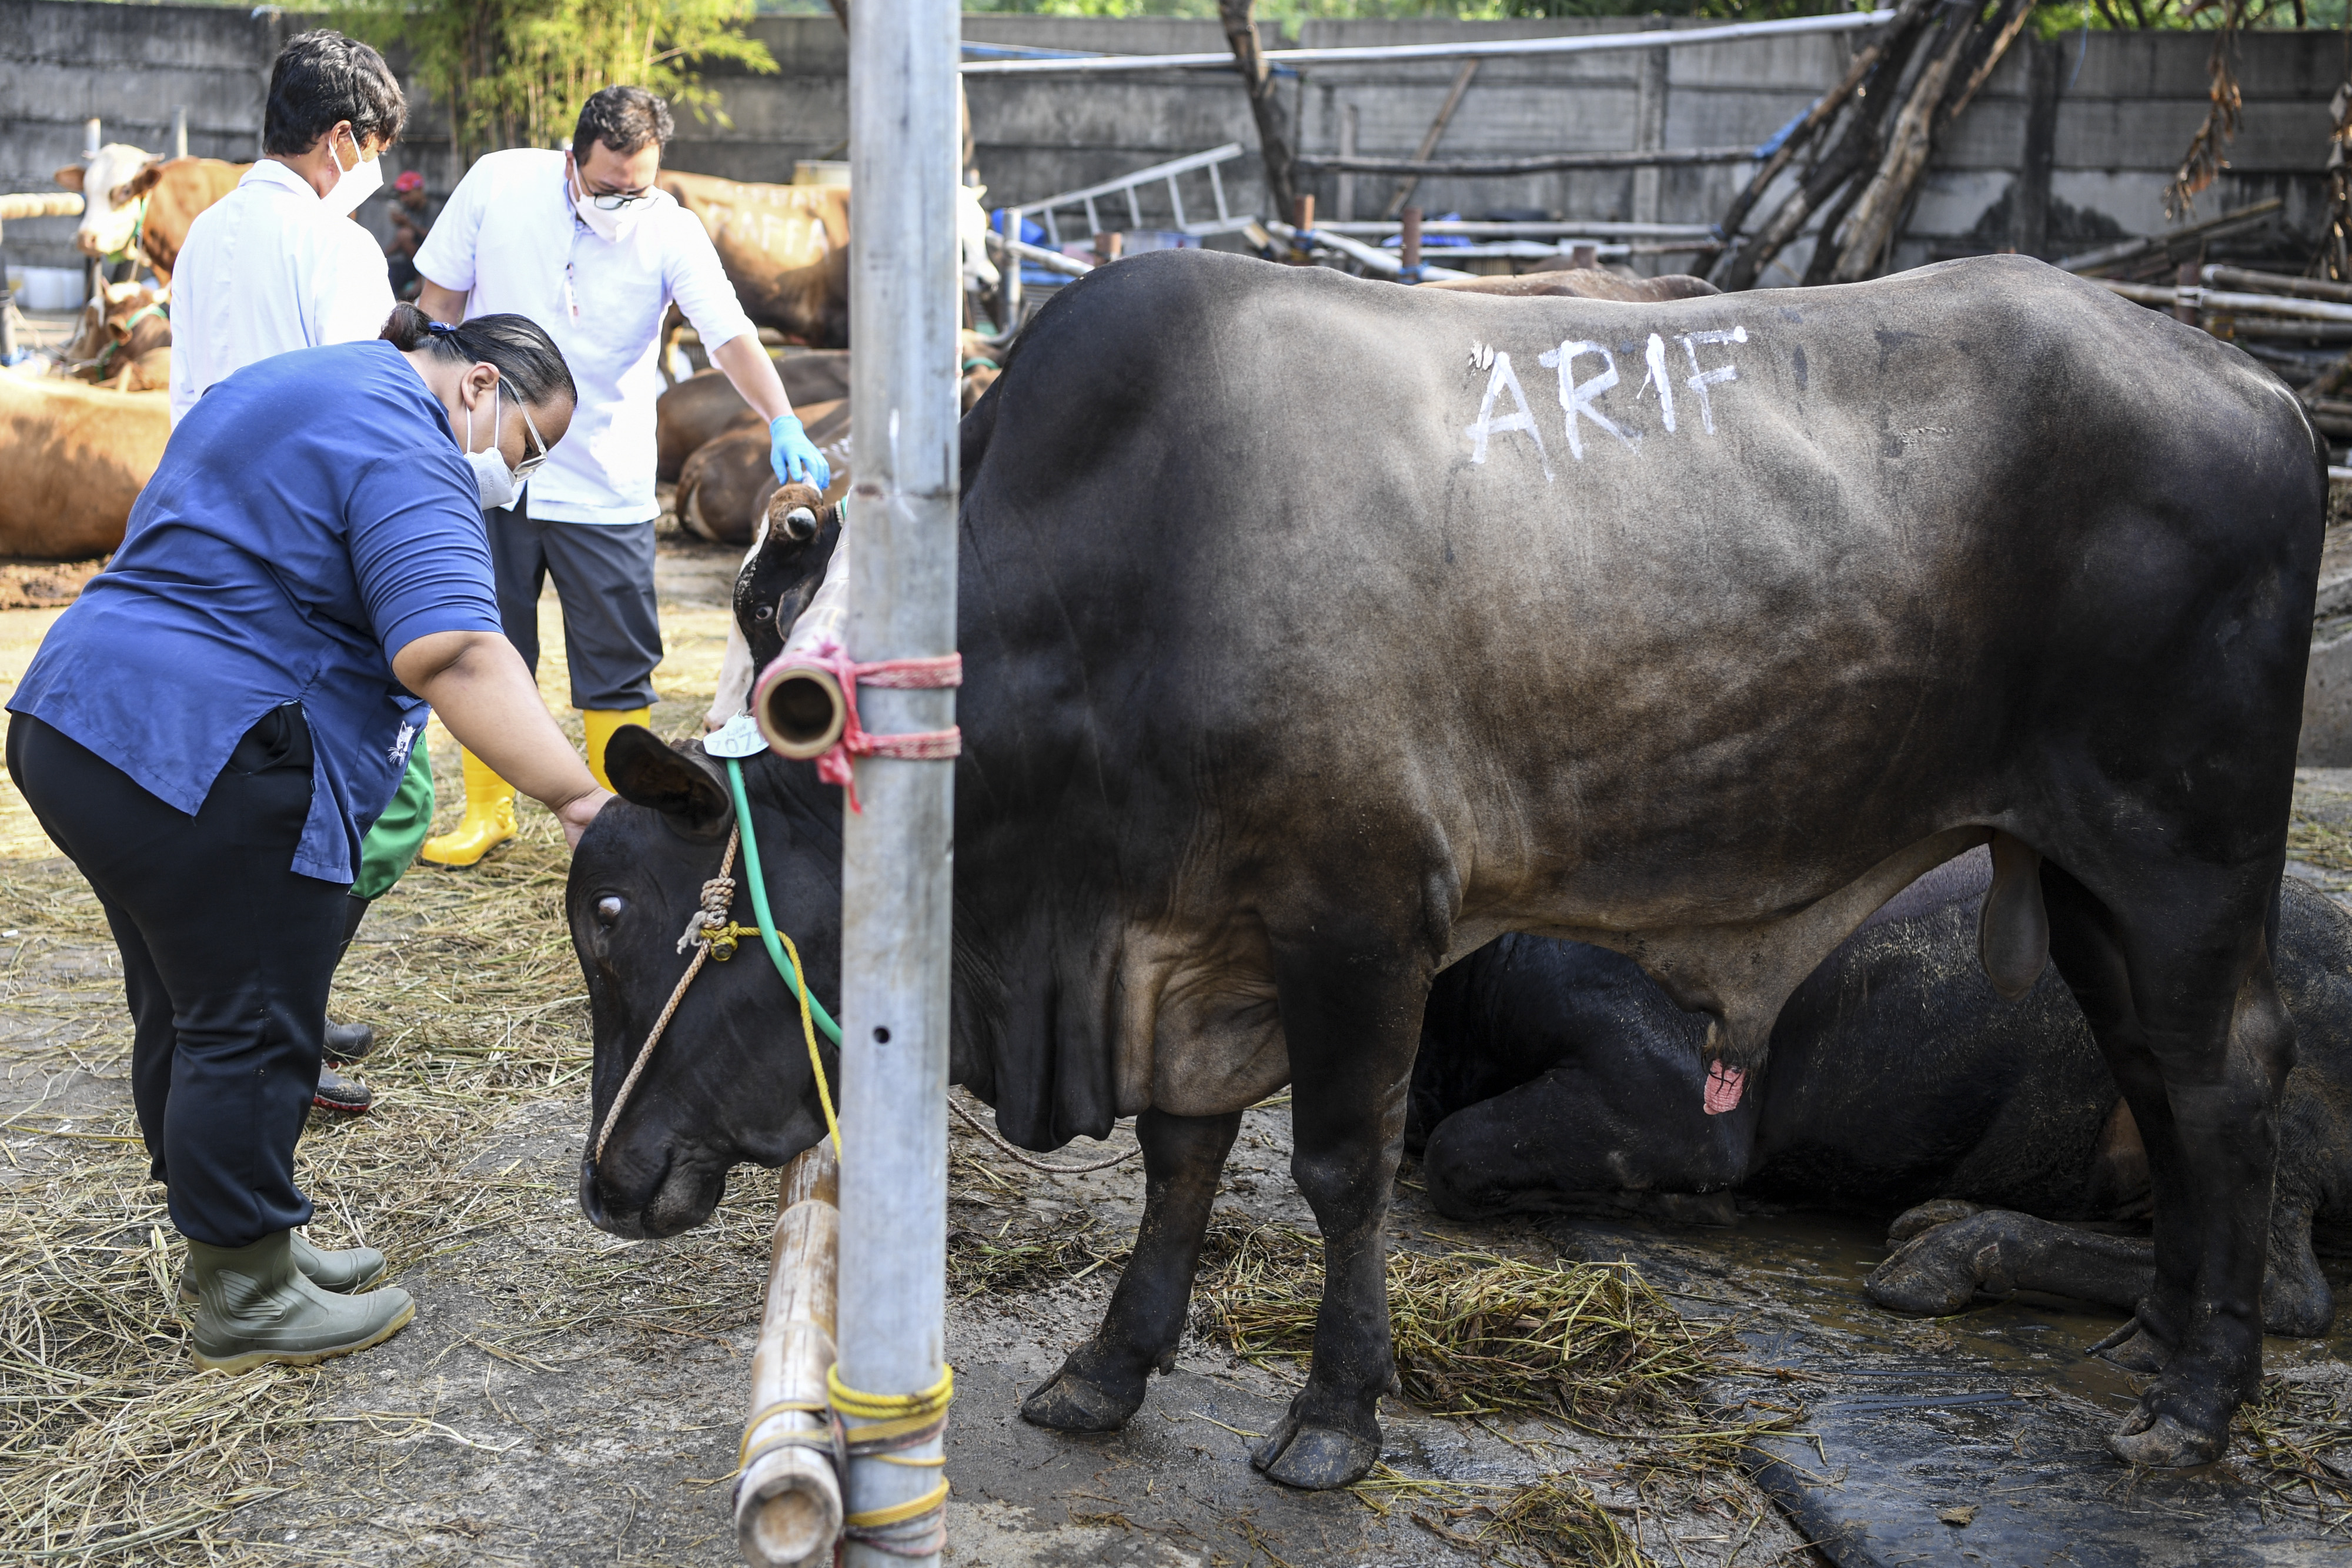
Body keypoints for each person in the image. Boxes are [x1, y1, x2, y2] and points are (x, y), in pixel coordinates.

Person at [6, 307, 607, 1371]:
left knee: (188, 1002)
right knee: (250, 1016)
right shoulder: (409, 435)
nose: (518, 479)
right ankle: (248, 1294)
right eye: (528, 448)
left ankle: (243, 1243)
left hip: (80, 719)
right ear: (478, 388)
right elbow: (455, 651)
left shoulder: (296, 382)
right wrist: (578, 795)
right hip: (212, 745)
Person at [412, 85, 830, 866]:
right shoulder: (499, 183)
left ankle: (619, 819)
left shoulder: (668, 227)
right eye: (607, 187)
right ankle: (488, 809)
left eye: (637, 187)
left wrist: (780, 414)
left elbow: (727, 334)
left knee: (617, 656)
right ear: (572, 160)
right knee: (482, 636)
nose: (622, 201)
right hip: (484, 459)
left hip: (603, 473)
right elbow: (437, 309)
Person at [168, 29, 425, 1112]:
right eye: (374, 148)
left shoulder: (207, 232)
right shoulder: (335, 248)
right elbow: (368, 420)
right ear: (342, 140)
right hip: (307, 559)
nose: (370, 170)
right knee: (387, 796)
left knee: (262, 799)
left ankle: (289, 1009)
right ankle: (282, 1016)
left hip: (202, 550)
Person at [386, 170, 436, 300]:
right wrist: (381, 256)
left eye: (407, 194)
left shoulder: (434, 209)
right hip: (411, 263)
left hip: (432, 261)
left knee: (405, 235)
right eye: (401, 195)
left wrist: (408, 224)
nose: (404, 199)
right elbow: (399, 242)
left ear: (419, 190)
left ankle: (420, 280)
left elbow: (434, 240)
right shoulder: (408, 209)